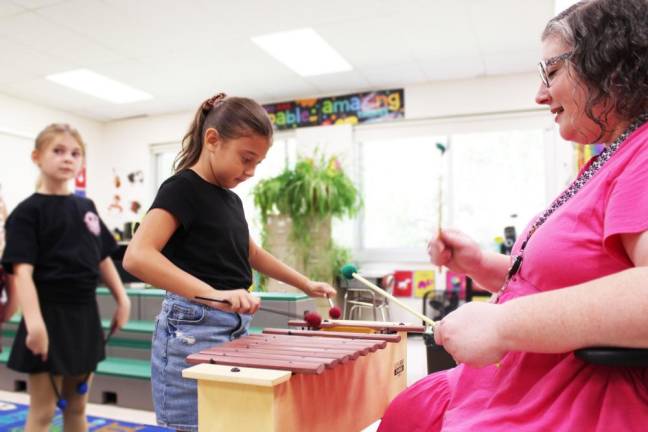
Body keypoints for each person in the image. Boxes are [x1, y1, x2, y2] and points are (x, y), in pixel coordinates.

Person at [379, 0, 648, 430]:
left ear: (607, 65)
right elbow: (562, 282)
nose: (540, 94)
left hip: (567, 403)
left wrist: (502, 324)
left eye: (552, 72)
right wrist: (480, 264)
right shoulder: (611, 157)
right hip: (513, 390)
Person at [123, 92, 337, 432]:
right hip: (192, 327)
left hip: (233, 325)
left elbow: (252, 253)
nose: (250, 171)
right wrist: (214, 294)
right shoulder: (181, 188)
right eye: (246, 158)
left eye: (258, 163)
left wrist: (305, 283)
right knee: (198, 426)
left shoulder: (231, 201)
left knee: (229, 424)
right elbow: (137, 256)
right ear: (212, 140)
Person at [1, 124, 131, 432]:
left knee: (78, 407)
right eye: (58, 151)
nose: (67, 158)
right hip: (48, 316)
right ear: (37, 156)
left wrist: (122, 299)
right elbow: (23, 273)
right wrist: (34, 324)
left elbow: (103, 257)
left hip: (84, 316)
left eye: (75, 153)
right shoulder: (27, 212)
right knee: (44, 412)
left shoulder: (85, 207)